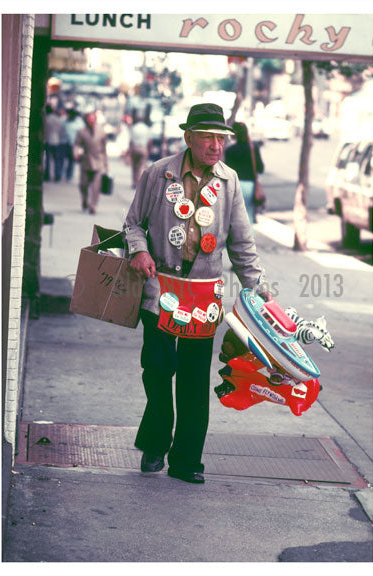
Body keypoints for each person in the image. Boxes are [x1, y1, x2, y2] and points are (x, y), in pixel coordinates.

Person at [124, 103, 271, 484]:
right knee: (158, 370)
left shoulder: (230, 181)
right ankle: (156, 442)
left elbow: (241, 242)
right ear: (188, 137)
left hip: (203, 297)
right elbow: (132, 225)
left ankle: (187, 460)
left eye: (221, 138)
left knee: (192, 379)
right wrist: (139, 251)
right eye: (207, 137)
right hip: (160, 289)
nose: (216, 146)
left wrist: (256, 287)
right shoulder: (159, 174)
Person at [224, 121, 265, 224]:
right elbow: (260, 168)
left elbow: (227, 173)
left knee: (234, 218)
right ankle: (249, 239)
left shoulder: (230, 151)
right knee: (249, 218)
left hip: (235, 187)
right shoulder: (253, 148)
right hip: (251, 187)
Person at [74, 111, 108, 214]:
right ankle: (84, 200)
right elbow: (77, 144)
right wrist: (76, 152)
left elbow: (104, 149)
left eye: (93, 119)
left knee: (96, 186)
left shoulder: (101, 131)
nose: (92, 121)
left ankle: (93, 206)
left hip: (98, 161)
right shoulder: (81, 132)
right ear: (86, 121)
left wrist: (106, 165)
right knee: (83, 185)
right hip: (86, 161)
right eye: (89, 119)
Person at [129, 115, 152, 187]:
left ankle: (134, 182)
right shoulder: (146, 128)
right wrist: (149, 150)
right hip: (143, 148)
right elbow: (149, 141)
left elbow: (131, 140)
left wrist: (129, 150)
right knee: (141, 166)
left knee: (134, 166)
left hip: (135, 148)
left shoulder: (134, 127)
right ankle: (138, 183)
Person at [44, 105, 64, 182]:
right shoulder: (58, 119)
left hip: (48, 140)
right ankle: (57, 175)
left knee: (48, 160)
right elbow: (61, 131)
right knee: (57, 159)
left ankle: (47, 175)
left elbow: (44, 130)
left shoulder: (46, 118)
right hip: (57, 141)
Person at [63, 109, 85, 181]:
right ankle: (64, 173)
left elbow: (83, 132)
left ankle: (69, 175)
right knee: (65, 159)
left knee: (71, 160)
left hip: (75, 144)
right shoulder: (65, 121)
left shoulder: (79, 122)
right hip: (65, 143)